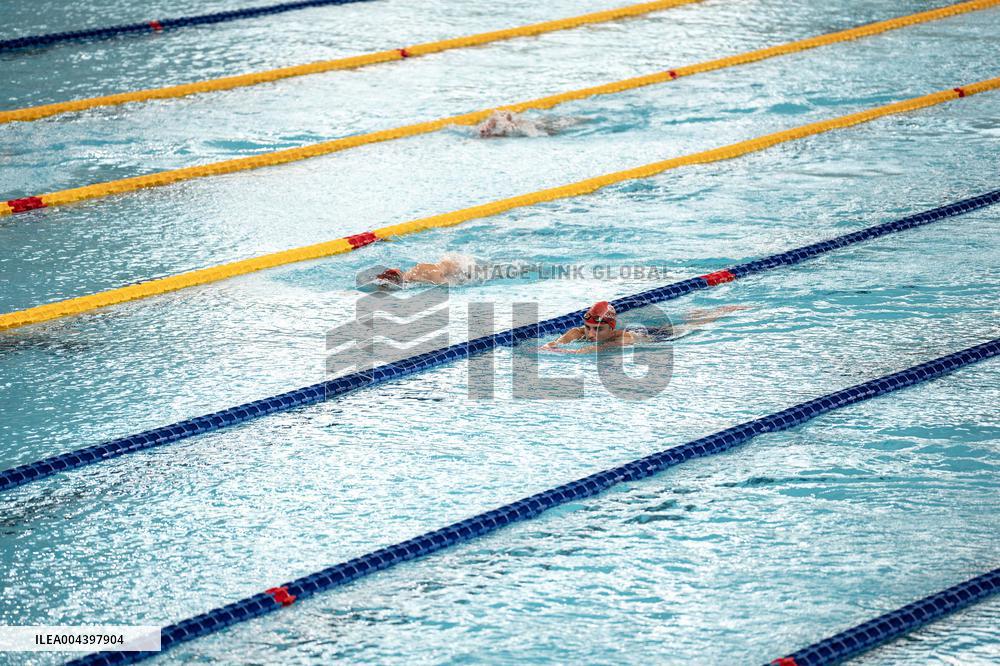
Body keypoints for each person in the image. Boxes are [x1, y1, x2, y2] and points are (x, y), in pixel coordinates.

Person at [542, 301, 747, 353]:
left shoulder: (622, 339)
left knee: (689, 326)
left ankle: (725, 311)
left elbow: (589, 351)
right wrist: (552, 345)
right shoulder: (580, 332)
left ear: (611, 329)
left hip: (656, 336)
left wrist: (562, 351)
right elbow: (558, 341)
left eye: (598, 329)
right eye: (588, 327)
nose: (590, 333)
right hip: (643, 330)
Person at [372, 254, 479, 288]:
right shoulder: (415, 272)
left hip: (461, 265)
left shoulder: (428, 273)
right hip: (453, 263)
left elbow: (453, 287)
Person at [476, 110, 583, 138]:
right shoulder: (485, 128)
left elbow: (536, 135)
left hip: (549, 127)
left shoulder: (521, 127)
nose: (485, 131)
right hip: (542, 122)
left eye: (492, 125)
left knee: (575, 121)